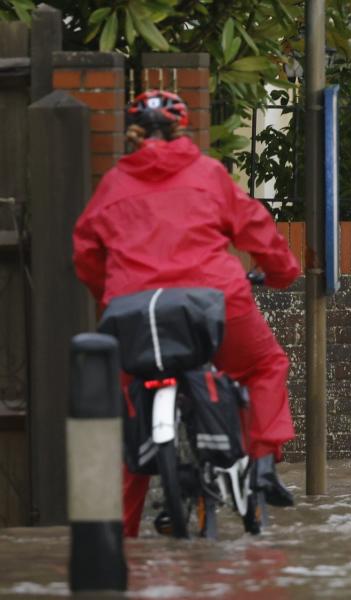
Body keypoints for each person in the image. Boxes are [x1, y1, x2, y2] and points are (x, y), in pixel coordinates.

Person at [73, 90, 302, 536]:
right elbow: (257, 230)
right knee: (265, 365)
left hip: (134, 314)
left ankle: (116, 539)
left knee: (128, 414)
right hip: (215, 305)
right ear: (182, 128)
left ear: (134, 134)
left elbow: (85, 254)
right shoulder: (207, 174)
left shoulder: (114, 183)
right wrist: (282, 273)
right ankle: (262, 463)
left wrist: (110, 299)